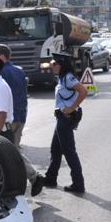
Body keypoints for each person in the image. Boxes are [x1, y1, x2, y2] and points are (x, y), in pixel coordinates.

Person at [0, 44, 43, 195]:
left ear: (1, 56)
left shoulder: (2, 73)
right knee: (13, 149)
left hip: (8, 119)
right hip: (20, 116)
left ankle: (33, 178)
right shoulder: (19, 71)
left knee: (11, 152)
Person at [43, 52, 87, 194]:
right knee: (55, 149)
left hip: (66, 119)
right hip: (61, 118)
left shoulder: (68, 77)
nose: (52, 66)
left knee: (69, 152)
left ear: (61, 65)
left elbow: (83, 91)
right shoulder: (61, 78)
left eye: (54, 64)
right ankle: (51, 178)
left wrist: (72, 107)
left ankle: (78, 184)